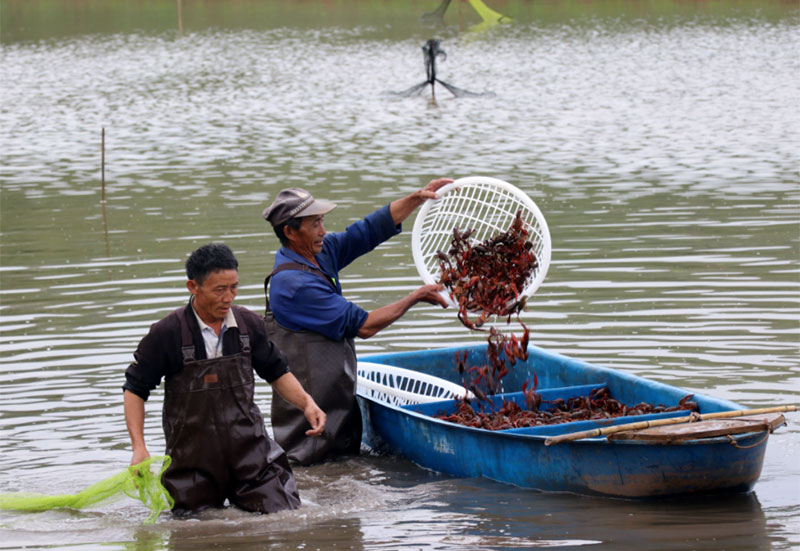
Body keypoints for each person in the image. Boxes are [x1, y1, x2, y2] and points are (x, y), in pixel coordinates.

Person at [122, 243, 326, 515]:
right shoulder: (167, 333)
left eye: (234, 288)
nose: (228, 297)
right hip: (192, 464)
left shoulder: (249, 325)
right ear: (192, 287)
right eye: (220, 289)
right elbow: (135, 389)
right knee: (195, 530)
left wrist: (307, 403)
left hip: (251, 454)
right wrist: (139, 448)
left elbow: (277, 372)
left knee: (285, 516)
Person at [261, 178, 452, 465]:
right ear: (290, 232)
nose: (323, 231)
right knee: (313, 473)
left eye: (322, 221)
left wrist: (415, 199)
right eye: (315, 224)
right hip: (309, 434)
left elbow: (364, 232)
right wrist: (414, 297)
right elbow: (364, 326)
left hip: (335, 410)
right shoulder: (294, 285)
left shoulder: (317, 254)